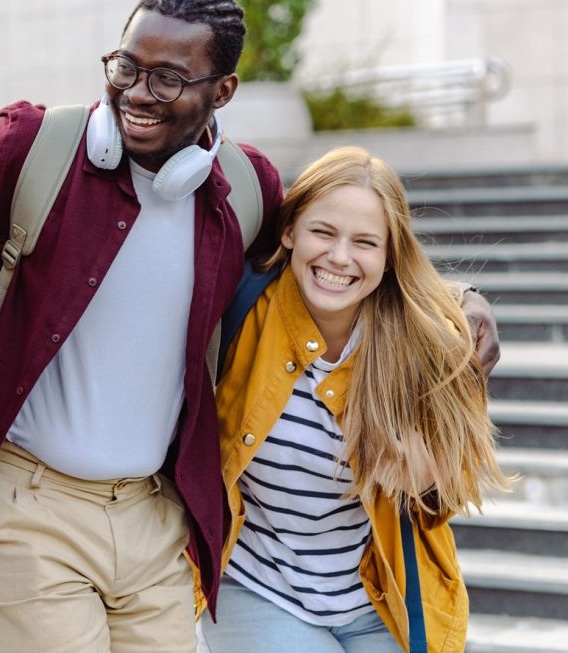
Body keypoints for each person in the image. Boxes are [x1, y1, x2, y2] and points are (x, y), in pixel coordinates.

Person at [0, 0, 500, 652]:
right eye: (126, 66)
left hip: (155, 519)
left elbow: (338, 244)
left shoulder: (246, 188)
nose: (137, 92)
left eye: (169, 78)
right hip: (28, 509)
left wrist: (454, 303)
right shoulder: (34, 146)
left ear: (222, 91)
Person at [200, 146, 508, 651]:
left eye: (365, 242)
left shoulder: (426, 346)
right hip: (259, 587)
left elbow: (439, 499)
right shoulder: (242, 310)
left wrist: (421, 468)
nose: (339, 257)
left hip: (379, 596)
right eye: (323, 232)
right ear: (289, 232)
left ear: (389, 257)